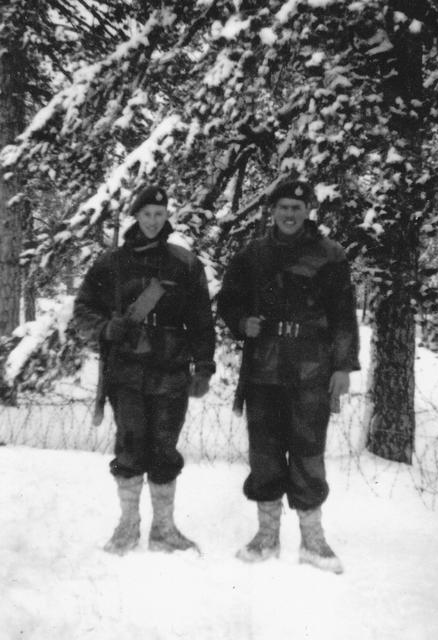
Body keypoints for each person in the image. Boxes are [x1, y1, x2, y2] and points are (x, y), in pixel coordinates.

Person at [217, 179, 359, 573]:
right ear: (273, 211)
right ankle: (266, 537)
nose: (290, 215)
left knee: (308, 452)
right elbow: (228, 302)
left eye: (297, 208)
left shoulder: (330, 256)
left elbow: (344, 317)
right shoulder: (253, 255)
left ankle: (313, 540)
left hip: (312, 369)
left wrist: (344, 366)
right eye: (283, 208)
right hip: (263, 369)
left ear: (309, 210)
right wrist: (241, 321)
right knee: (264, 452)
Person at [73, 184, 215, 555]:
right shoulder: (111, 264)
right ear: (135, 216)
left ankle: (164, 530)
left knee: (165, 448)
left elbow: (202, 320)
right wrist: (106, 328)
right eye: (147, 214)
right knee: (131, 445)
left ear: (167, 216)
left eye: (159, 214)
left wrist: (204, 365)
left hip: (171, 371)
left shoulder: (184, 263)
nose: (153, 221)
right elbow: (83, 311)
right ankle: (128, 525)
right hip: (127, 372)